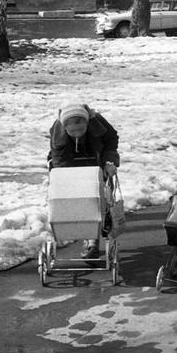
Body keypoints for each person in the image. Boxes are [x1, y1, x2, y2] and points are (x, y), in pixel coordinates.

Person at [48, 102, 120, 259]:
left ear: (87, 123)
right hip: (69, 161)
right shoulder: (58, 131)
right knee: (76, 197)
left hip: (96, 159)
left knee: (96, 199)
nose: (77, 134)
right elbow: (59, 158)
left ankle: (92, 242)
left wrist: (109, 161)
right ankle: (81, 233)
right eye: (72, 131)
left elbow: (111, 140)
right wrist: (65, 179)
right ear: (65, 128)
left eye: (81, 129)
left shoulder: (97, 122)